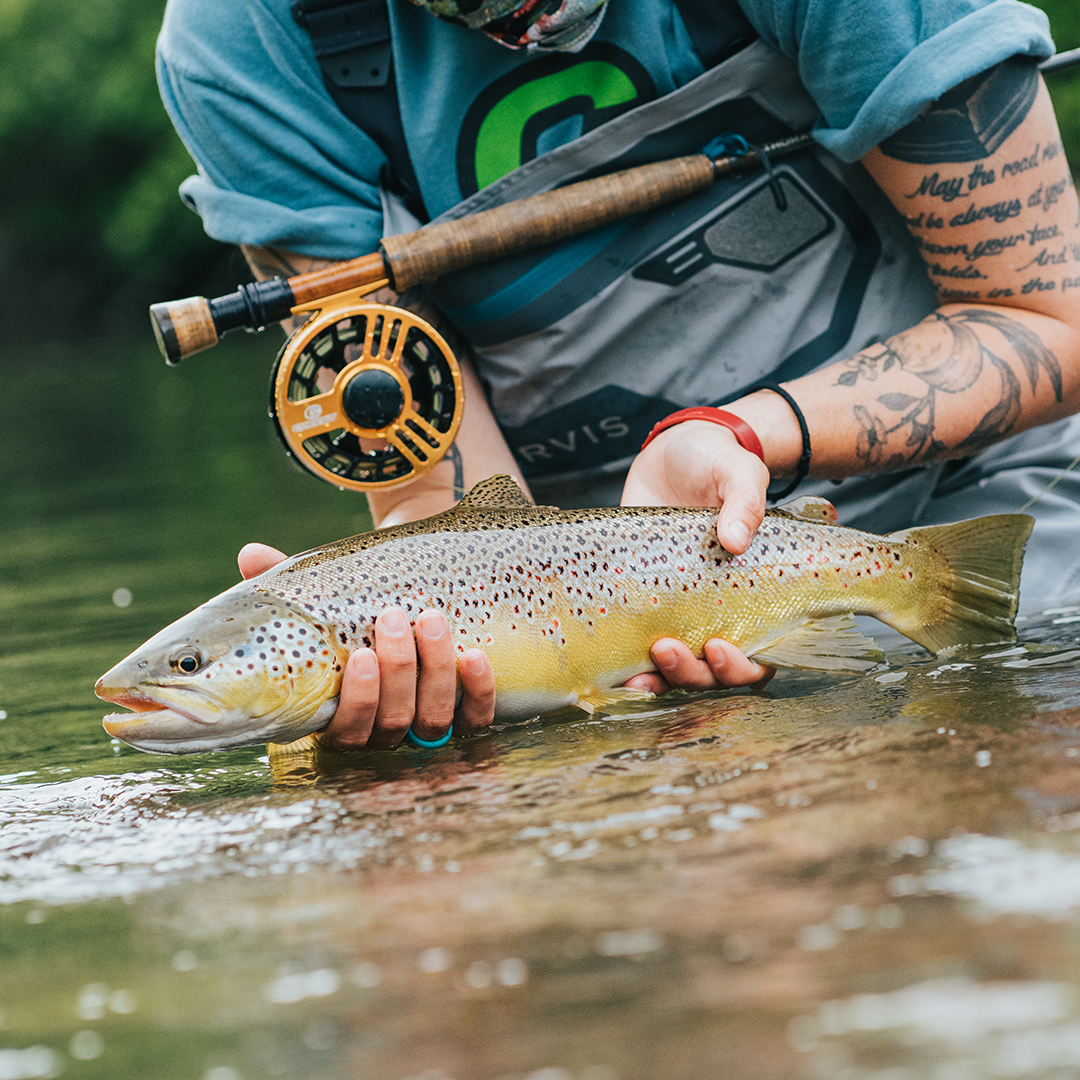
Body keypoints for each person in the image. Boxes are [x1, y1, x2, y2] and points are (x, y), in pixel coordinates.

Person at [156, 0, 1080, 751]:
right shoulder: (249, 44)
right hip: (602, 601)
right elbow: (442, 508)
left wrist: (730, 435)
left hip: (992, 485)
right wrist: (419, 694)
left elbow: (1050, 318)